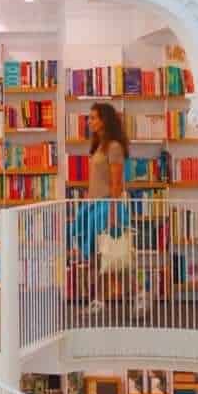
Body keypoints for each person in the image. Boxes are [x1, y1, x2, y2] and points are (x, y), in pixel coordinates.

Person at [68, 102, 135, 316]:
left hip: (108, 206)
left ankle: (137, 292)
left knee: (111, 255)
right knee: (96, 256)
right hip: (94, 205)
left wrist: (114, 212)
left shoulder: (114, 147)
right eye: (90, 118)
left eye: (94, 118)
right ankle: (98, 300)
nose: (90, 122)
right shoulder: (99, 146)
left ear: (105, 120)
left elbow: (116, 184)